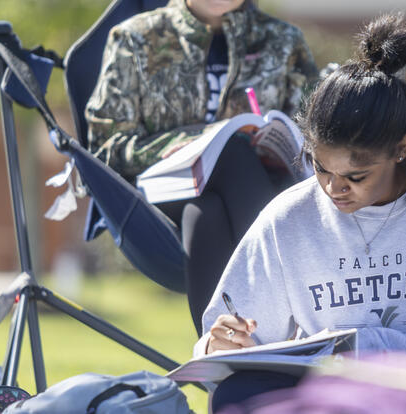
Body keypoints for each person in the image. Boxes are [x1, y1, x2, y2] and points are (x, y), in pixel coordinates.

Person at [195, 13, 406, 411]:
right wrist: (220, 342)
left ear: (402, 148)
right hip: (332, 396)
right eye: (320, 168)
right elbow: (230, 353)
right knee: (235, 394)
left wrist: (368, 347)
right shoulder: (288, 217)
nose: (333, 188)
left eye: (356, 175)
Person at [85, 0, 318, 332]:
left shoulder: (282, 41)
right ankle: (294, 307)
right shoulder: (136, 38)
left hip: (252, 188)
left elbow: (312, 133)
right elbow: (105, 147)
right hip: (164, 195)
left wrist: (277, 143)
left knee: (206, 211)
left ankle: (220, 356)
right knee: (232, 152)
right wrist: (195, 140)